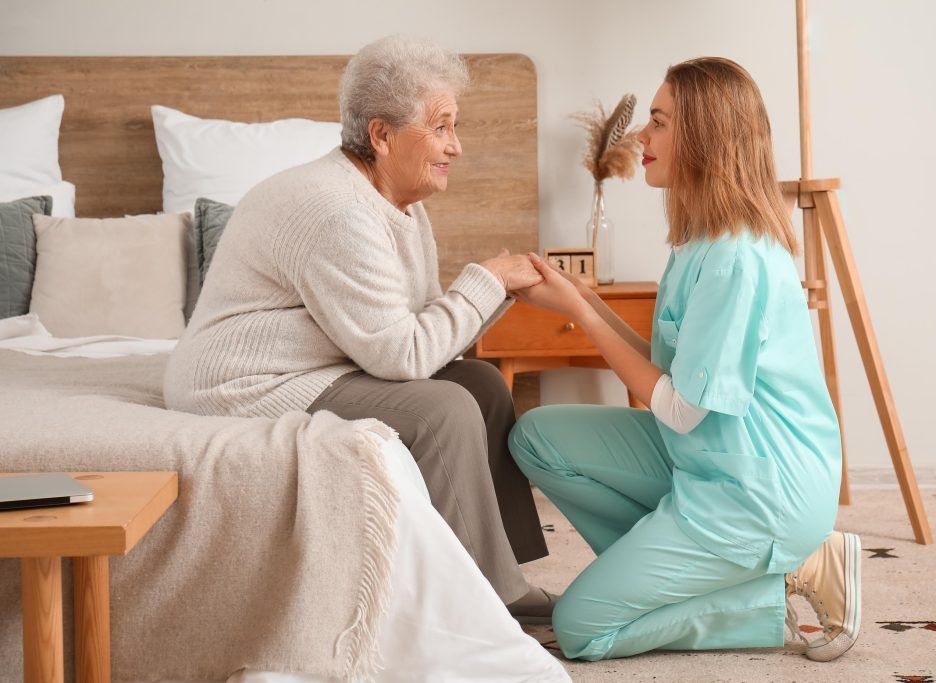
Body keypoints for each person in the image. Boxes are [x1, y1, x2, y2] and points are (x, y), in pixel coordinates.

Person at [164, 34, 556, 622]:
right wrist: (485, 280)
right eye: (443, 127)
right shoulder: (337, 210)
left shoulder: (399, 202)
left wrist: (500, 289)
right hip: (248, 382)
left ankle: (501, 572)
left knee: (481, 384)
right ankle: (485, 606)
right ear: (381, 134)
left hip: (324, 360)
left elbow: (420, 327)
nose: (457, 146)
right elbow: (404, 357)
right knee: (441, 409)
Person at [507, 57, 862, 661]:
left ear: (704, 138)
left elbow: (678, 408)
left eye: (659, 122)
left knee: (581, 630)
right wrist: (580, 298)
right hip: (707, 463)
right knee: (537, 437)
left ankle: (777, 587)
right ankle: (674, 581)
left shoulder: (733, 259)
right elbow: (672, 371)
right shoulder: (699, 239)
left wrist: (585, 314)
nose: (641, 137)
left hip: (757, 495)